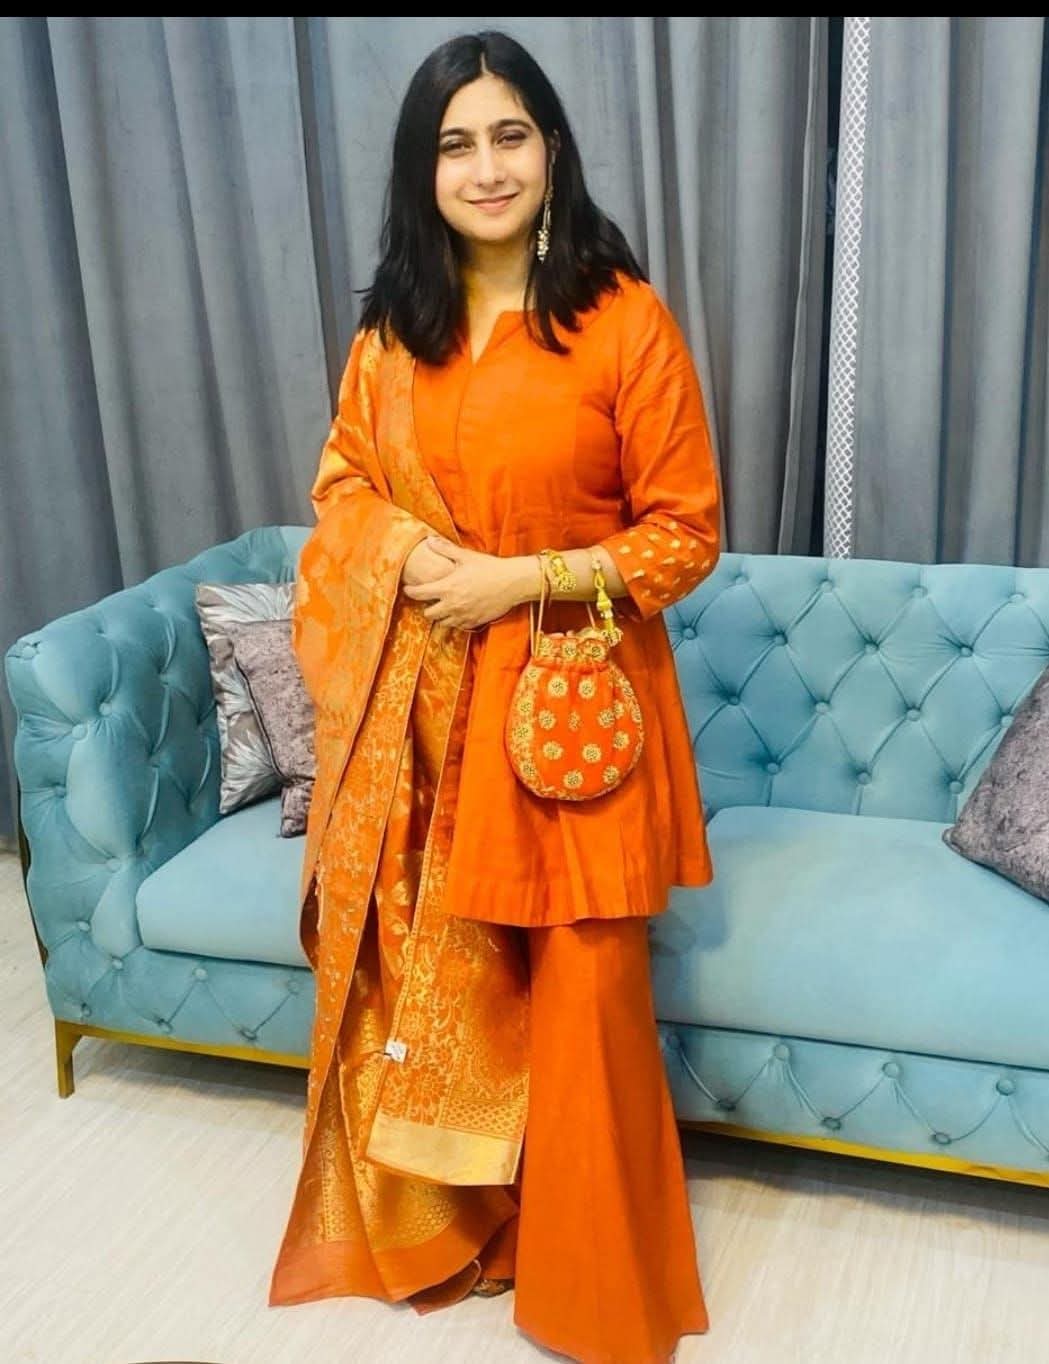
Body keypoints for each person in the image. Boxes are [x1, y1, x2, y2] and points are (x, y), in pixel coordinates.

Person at [268, 27, 722, 1364]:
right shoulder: (391, 339)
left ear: (552, 149)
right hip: (428, 722)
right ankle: (471, 1227)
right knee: (452, 988)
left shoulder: (619, 319)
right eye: (454, 144)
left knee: (584, 1000)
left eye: (508, 135)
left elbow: (685, 537)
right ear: (423, 170)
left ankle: (599, 1296)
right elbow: (344, 488)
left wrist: (518, 582)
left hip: (576, 709)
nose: (485, 167)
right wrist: (409, 556)